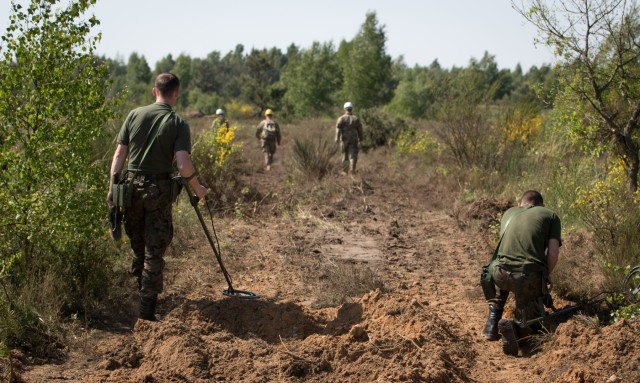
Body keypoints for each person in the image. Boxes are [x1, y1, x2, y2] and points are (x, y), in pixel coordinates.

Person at [107, 72, 208, 322]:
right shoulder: (178, 123)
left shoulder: (134, 115)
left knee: (138, 249)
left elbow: (119, 155)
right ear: (176, 93)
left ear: (155, 91)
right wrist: (199, 189)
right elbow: (183, 166)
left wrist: (112, 187)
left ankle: (142, 301)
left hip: (130, 190)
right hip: (157, 192)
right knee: (153, 252)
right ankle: (147, 313)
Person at [481, 190, 562, 356]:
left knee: (508, 269)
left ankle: (492, 321)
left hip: (499, 274)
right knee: (533, 324)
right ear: (540, 206)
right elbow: (553, 255)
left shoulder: (509, 213)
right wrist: (544, 278)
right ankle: (517, 331)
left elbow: (508, 248)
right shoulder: (551, 216)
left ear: (521, 204)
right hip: (526, 277)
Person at [335, 101, 363, 175]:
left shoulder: (341, 119)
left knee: (345, 155)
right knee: (353, 154)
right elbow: (360, 129)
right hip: (354, 139)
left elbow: (338, 129)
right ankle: (352, 169)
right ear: (351, 109)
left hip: (344, 139)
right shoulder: (355, 118)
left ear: (345, 109)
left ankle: (345, 171)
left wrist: (337, 139)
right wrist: (361, 138)